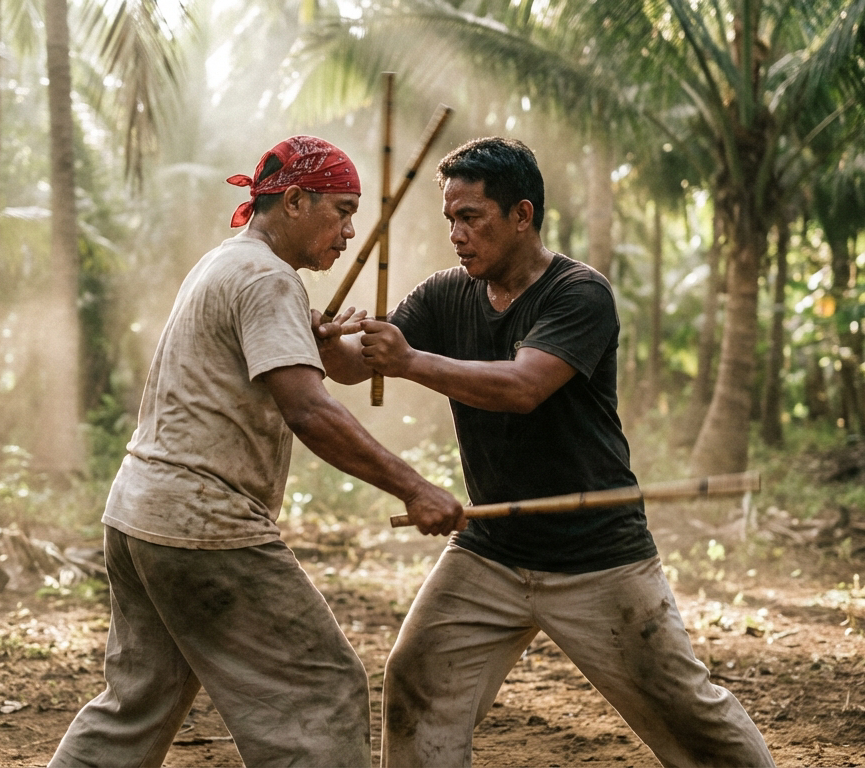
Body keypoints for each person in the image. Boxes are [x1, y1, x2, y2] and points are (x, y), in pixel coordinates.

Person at [316, 137, 775, 767]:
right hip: (492, 547)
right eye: (450, 219)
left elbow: (523, 387)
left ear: (522, 215)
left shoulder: (579, 293)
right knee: (418, 680)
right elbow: (354, 366)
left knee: (689, 716)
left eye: (470, 217)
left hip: (596, 551)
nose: (456, 234)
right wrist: (325, 341)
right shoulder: (445, 293)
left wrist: (410, 360)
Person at [49, 135, 465, 768]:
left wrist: (313, 341)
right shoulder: (268, 279)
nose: (350, 232)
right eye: (342, 210)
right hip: (203, 525)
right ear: (294, 201)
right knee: (320, 691)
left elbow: (303, 377)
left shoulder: (227, 262)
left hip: (137, 517)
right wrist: (415, 487)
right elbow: (310, 411)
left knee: (136, 705)